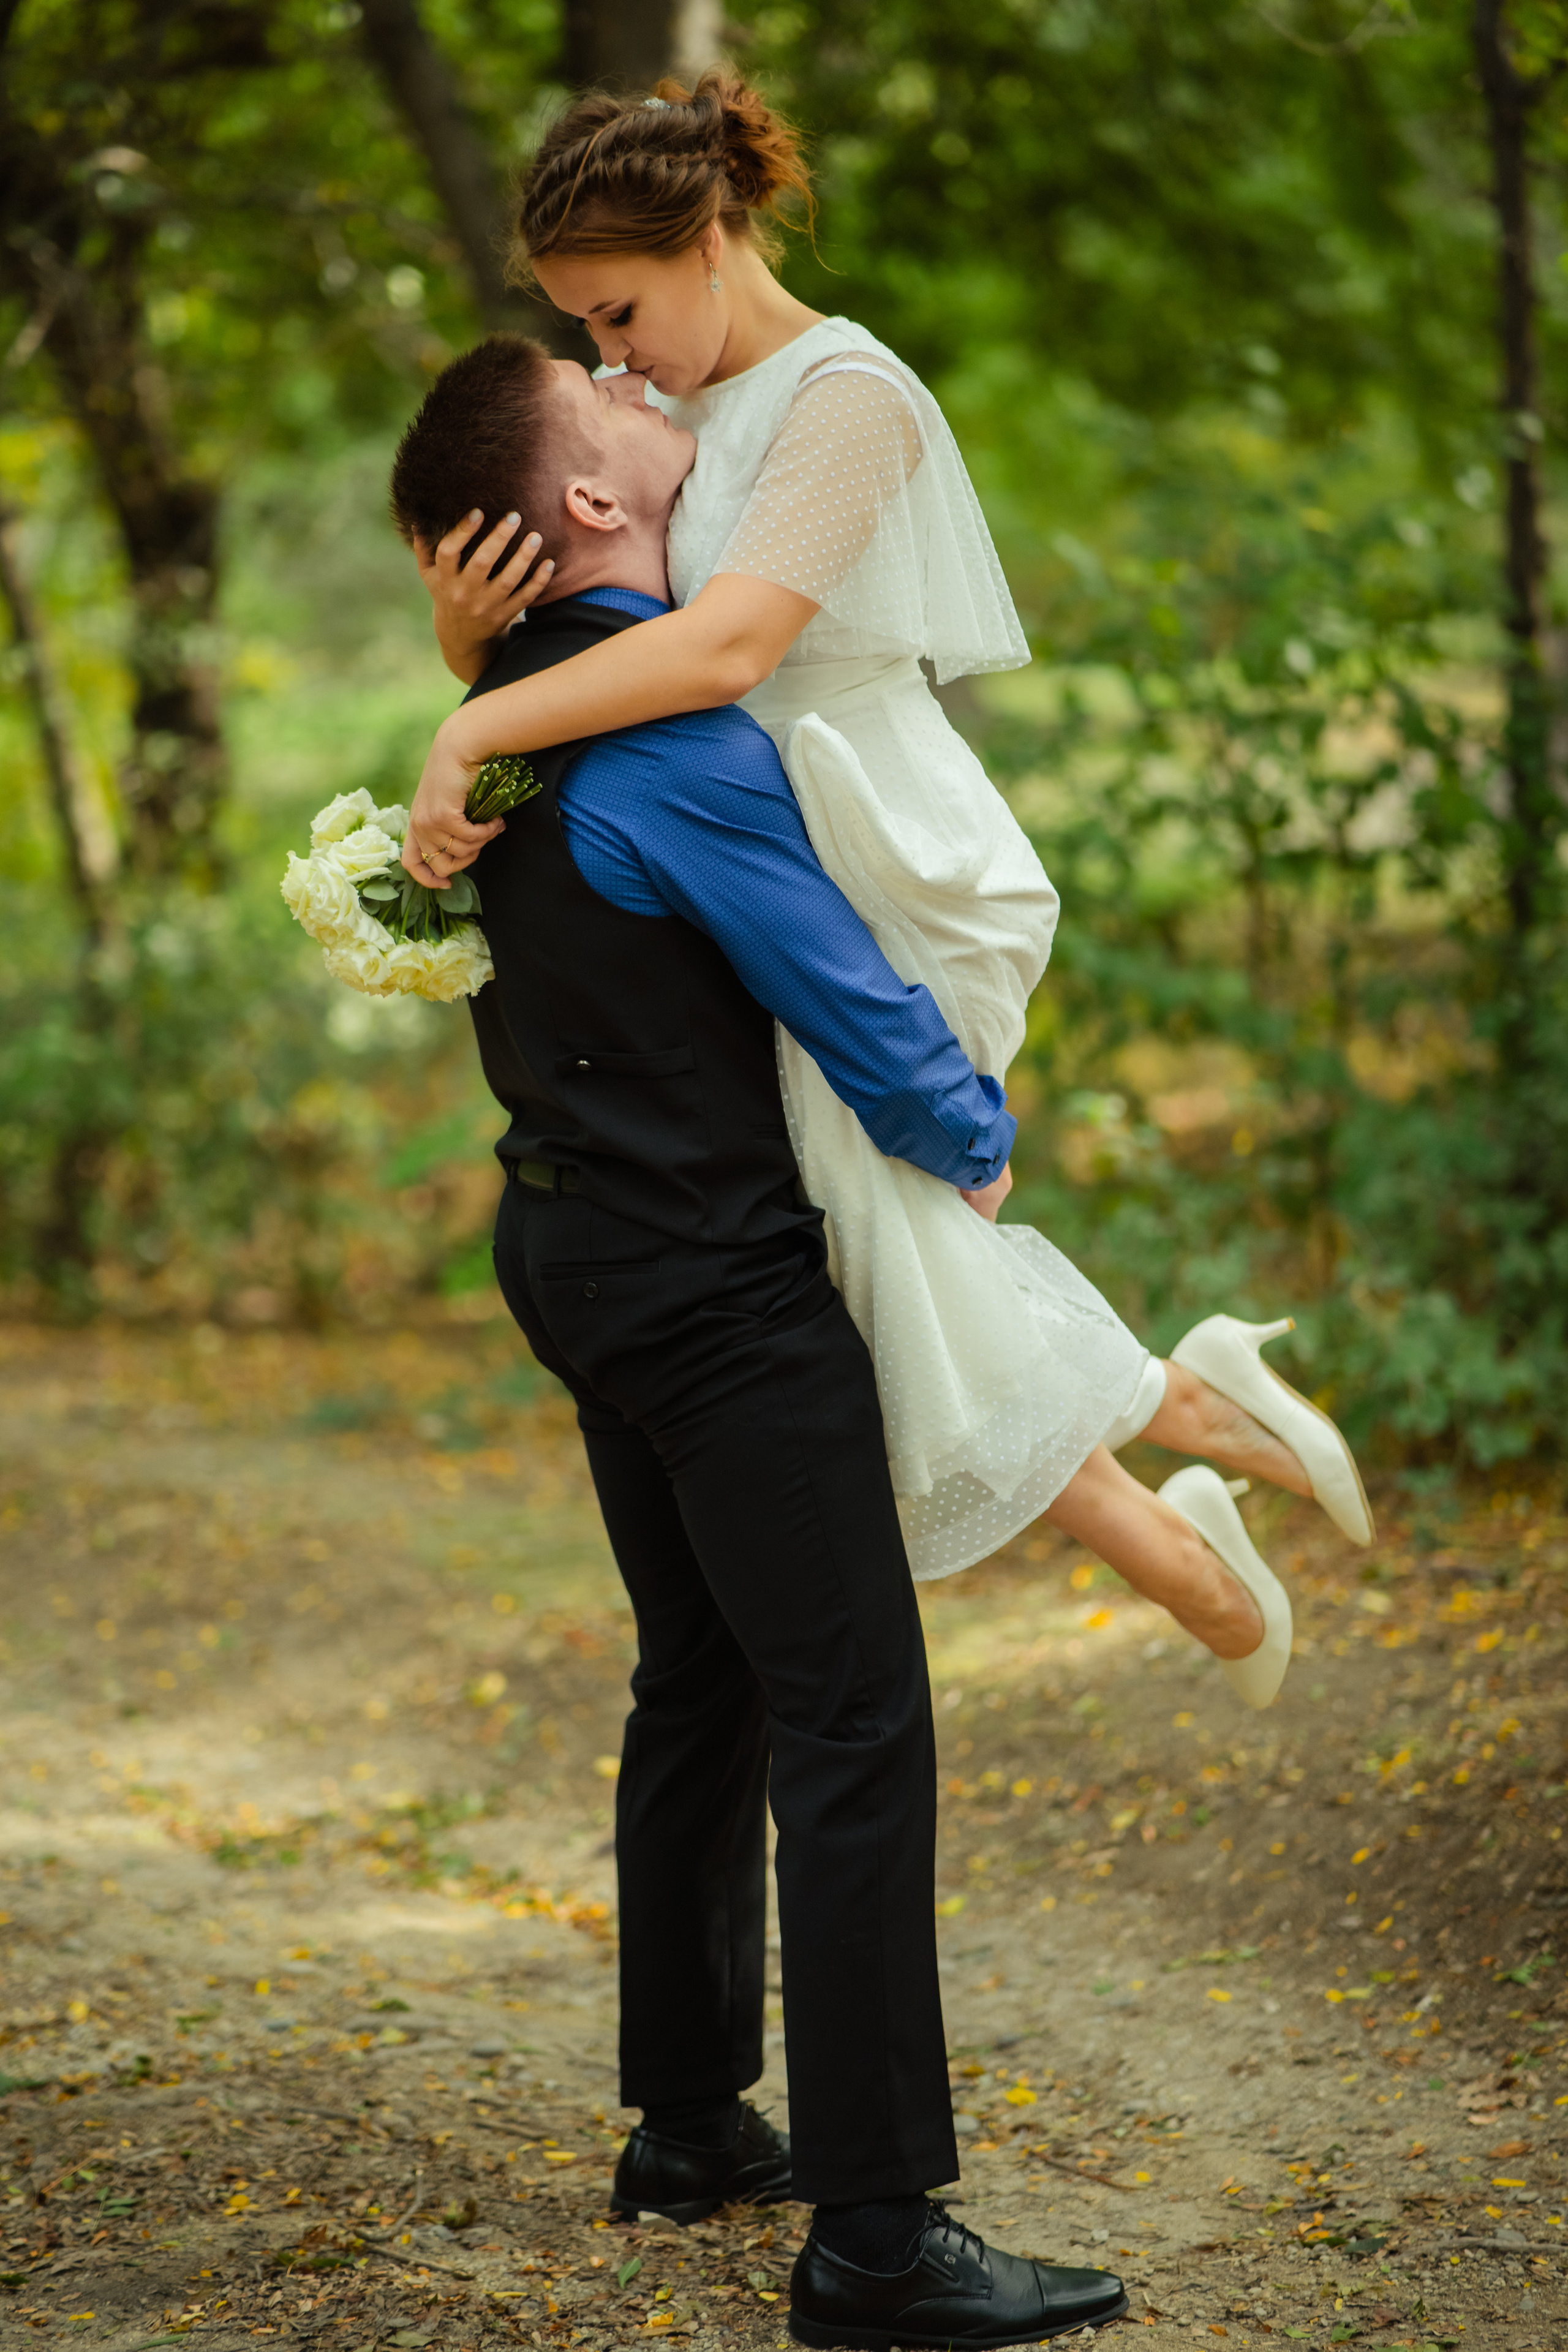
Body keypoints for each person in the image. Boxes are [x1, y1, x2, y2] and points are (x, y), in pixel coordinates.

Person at [398, 72, 1375, 1710]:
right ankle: (1190, 1478)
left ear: (713, 238)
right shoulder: (670, 410)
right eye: (585, 332)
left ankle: (1191, 1479)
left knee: (871, 1264)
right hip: (744, 848)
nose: (615, 363)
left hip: (876, 849)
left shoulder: (849, 395)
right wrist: (466, 651)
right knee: (874, 1272)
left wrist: (479, 717)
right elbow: (610, 634)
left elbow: (724, 649)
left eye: (621, 313)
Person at [389, 329, 1130, 2345]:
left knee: (703, 1674)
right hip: (713, 1288)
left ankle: (695, 2120)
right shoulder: (682, 746)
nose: (659, 397)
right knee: (854, 1719)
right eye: (614, 398)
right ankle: (881, 2237)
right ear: (605, 512)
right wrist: (968, 1136)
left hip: (572, 1258)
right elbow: (841, 988)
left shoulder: (513, 715)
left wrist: (470, 669)